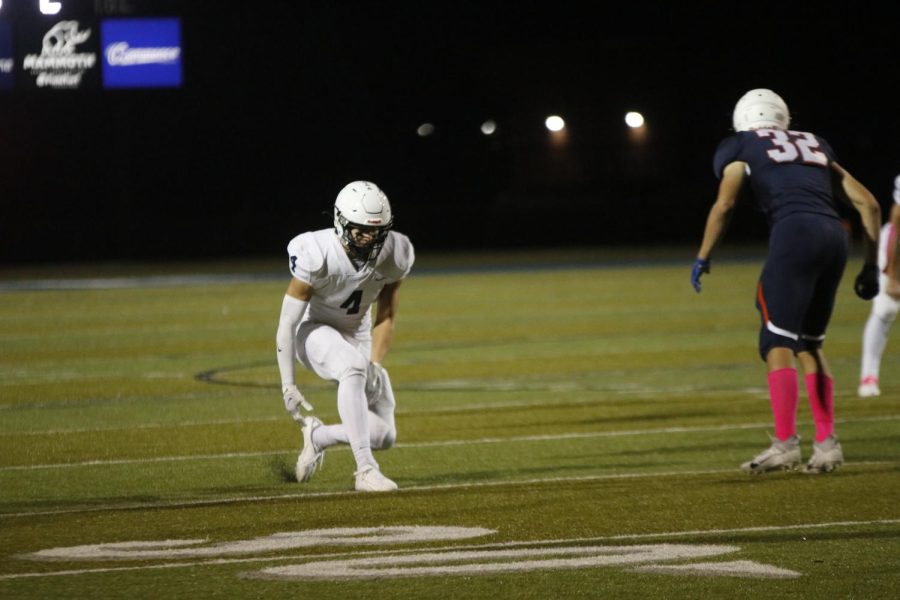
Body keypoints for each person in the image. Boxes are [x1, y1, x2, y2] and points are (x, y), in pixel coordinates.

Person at [691, 88, 882, 475]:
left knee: (777, 339)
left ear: (742, 118)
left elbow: (725, 202)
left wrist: (703, 255)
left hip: (794, 232)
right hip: (835, 235)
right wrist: (870, 266)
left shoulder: (739, 146)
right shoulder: (813, 144)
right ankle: (828, 445)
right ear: (783, 117)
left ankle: (785, 444)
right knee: (810, 344)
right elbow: (869, 204)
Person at [275, 180, 414, 492]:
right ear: (340, 223)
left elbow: (386, 314)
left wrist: (376, 363)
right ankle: (365, 470)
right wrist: (288, 383)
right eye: (361, 230)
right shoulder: (315, 251)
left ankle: (318, 436)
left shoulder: (397, 252)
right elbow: (287, 321)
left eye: (377, 231)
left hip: (359, 333)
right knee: (351, 366)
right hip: (313, 331)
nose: (370, 239)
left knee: (382, 435)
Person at [858, 175, 900, 396]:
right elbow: (898, 225)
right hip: (896, 248)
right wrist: (893, 275)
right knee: (886, 309)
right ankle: (869, 375)